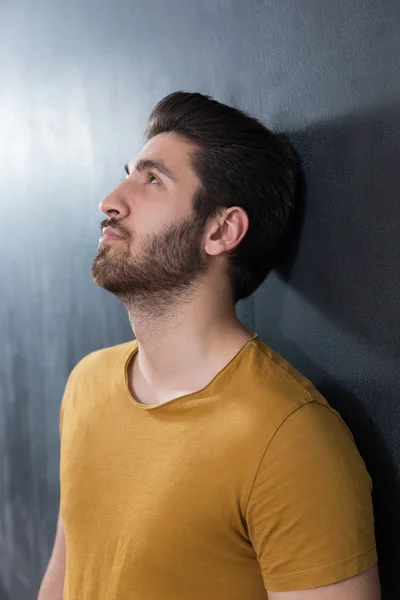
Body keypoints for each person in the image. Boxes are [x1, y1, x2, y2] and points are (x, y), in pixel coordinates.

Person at [38, 91, 380, 600]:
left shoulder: (289, 438)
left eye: (151, 179)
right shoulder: (87, 383)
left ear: (222, 230)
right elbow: (66, 568)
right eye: (128, 173)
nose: (110, 200)